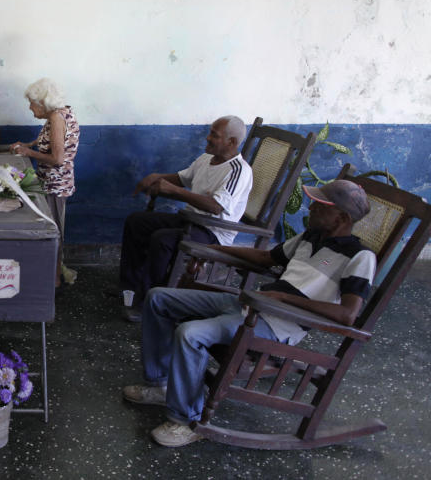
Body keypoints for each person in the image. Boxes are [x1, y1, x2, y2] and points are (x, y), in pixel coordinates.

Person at [122, 179, 375, 447]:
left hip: (278, 325)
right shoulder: (310, 236)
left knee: (190, 333)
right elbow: (267, 259)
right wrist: (212, 250)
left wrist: (283, 298)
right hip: (254, 306)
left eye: (320, 206)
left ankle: (186, 420)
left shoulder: (360, 256)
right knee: (158, 298)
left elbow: (347, 314)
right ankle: (161, 385)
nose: (310, 208)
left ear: (342, 218)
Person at [119, 116, 252, 322]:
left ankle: (150, 301)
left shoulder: (239, 171)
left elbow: (216, 207)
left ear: (231, 142)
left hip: (213, 231)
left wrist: (174, 191)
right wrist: (157, 177)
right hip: (191, 221)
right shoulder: (206, 159)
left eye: (214, 135)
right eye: (210, 132)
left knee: (162, 240)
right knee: (136, 222)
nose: (207, 138)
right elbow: (183, 178)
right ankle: (130, 287)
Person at [8, 78, 80, 287]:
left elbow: (58, 158)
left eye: (32, 103)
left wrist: (28, 152)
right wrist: (28, 144)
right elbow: (52, 142)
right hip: (54, 183)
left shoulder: (57, 118)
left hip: (55, 185)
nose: (30, 107)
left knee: (52, 231)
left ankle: (53, 282)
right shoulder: (60, 114)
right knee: (52, 229)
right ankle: (51, 276)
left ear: (43, 102)